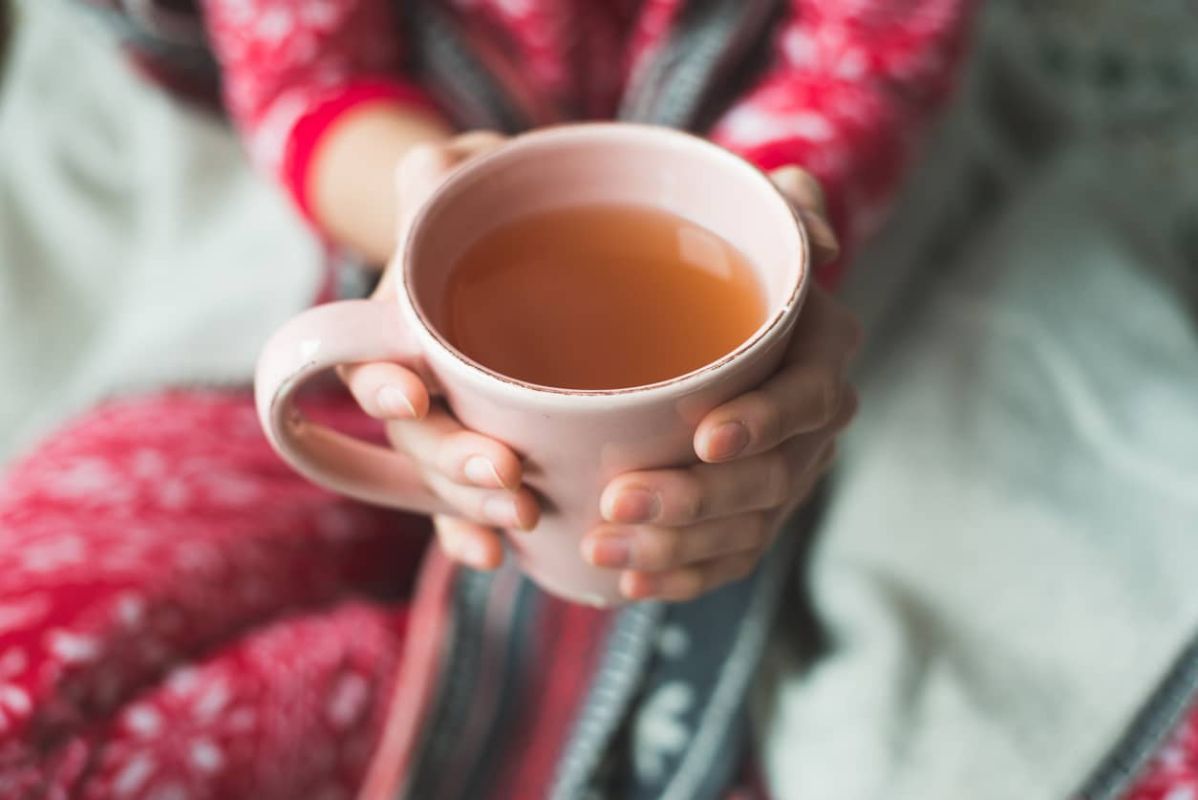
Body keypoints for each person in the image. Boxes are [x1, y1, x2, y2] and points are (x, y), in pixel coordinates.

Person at [0, 1, 976, 798]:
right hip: (355, 267)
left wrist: (768, 267)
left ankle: (463, 687)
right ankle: (448, 686)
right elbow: (311, 78)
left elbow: (860, 69)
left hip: (810, 292)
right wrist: (432, 221)